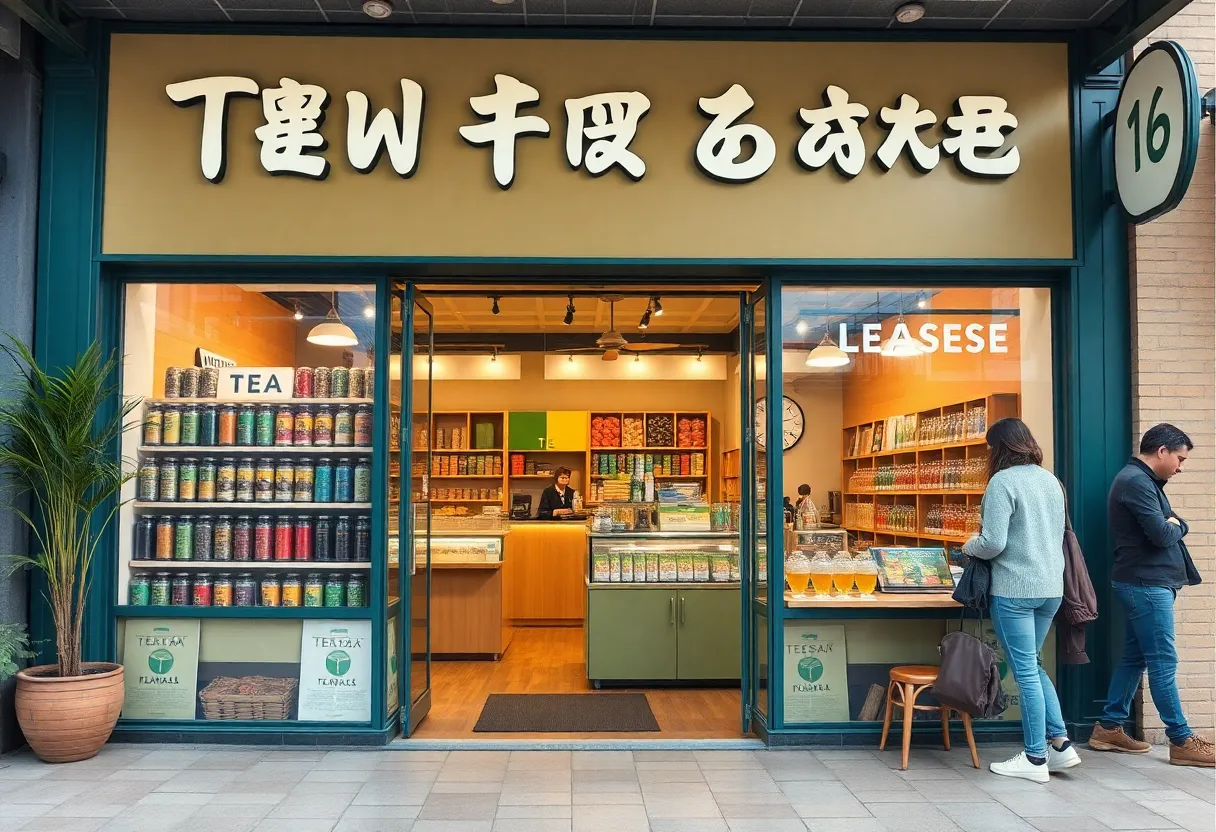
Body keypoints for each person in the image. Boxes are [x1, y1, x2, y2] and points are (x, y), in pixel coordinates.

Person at [1090, 424, 1212, 767]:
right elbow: (1161, 533)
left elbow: (1169, 525)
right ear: (1161, 451)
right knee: (1163, 662)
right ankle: (1181, 739)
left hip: (1146, 583)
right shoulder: (1136, 482)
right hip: (1145, 585)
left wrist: (1176, 522)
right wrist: (1177, 524)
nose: (1180, 466)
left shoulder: (1143, 481)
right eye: (1179, 458)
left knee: (1136, 658)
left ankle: (1109, 727)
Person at [963, 418, 1076, 783]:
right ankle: (1060, 744)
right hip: (1050, 588)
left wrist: (967, 545)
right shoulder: (1050, 481)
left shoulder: (1003, 482)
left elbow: (993, 543)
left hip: (1015, 590)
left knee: (1025, 672)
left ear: (998, 448)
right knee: (1034, 665)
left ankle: (1034, 758)